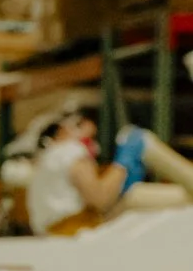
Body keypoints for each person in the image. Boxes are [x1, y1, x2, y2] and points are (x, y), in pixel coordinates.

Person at [25, 100, 193, 234]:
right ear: (64, 130)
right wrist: (122, 164)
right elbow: (100, 200)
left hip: (61, 230)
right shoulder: (70, 151)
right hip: (74, 229)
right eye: (89, 137)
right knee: (142, 141)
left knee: (176, 198)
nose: (92, 144)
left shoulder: (45, 161)